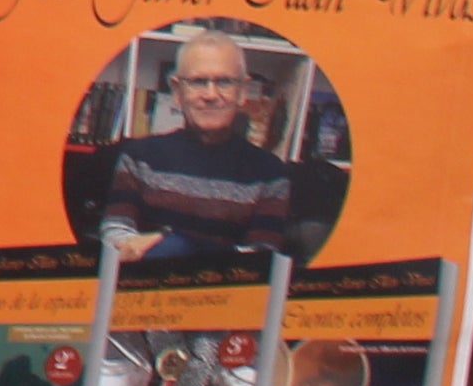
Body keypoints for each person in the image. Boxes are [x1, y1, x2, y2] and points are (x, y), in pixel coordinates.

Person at [92, 30, 310, 268]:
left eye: (225, 82)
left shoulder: (271, 174)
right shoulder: (138, 157)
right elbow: (116, 236)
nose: (211, 95)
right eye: (198, 82)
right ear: (177, 92)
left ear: (243, 92)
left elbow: (261, 259)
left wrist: (176, 245)